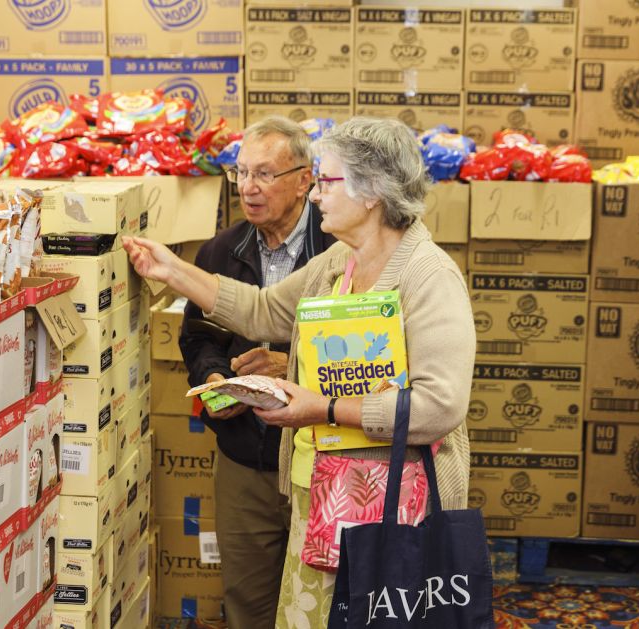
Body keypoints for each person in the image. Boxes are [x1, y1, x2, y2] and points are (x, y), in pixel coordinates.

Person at [124, 117, 475, 629]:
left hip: (394, 508)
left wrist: (323, 409)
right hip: (326, 501)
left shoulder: (430, 276)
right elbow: (264, 311)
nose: (315, 196)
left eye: (328, 182)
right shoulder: (340, 261)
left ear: (372, 191)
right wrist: (172, 270)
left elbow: (438, 408)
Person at [179, 116, 334, 629]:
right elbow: (199, 335)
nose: (248, 187)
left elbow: (370, 355)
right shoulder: (220, 251)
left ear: (305, 179)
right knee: (246, 600)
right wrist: (219, 377)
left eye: (265, 174)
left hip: (321, 459)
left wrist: (295, 368)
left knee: (325, 602)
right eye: (241, 172)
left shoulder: (338, 254)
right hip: (243, 456)